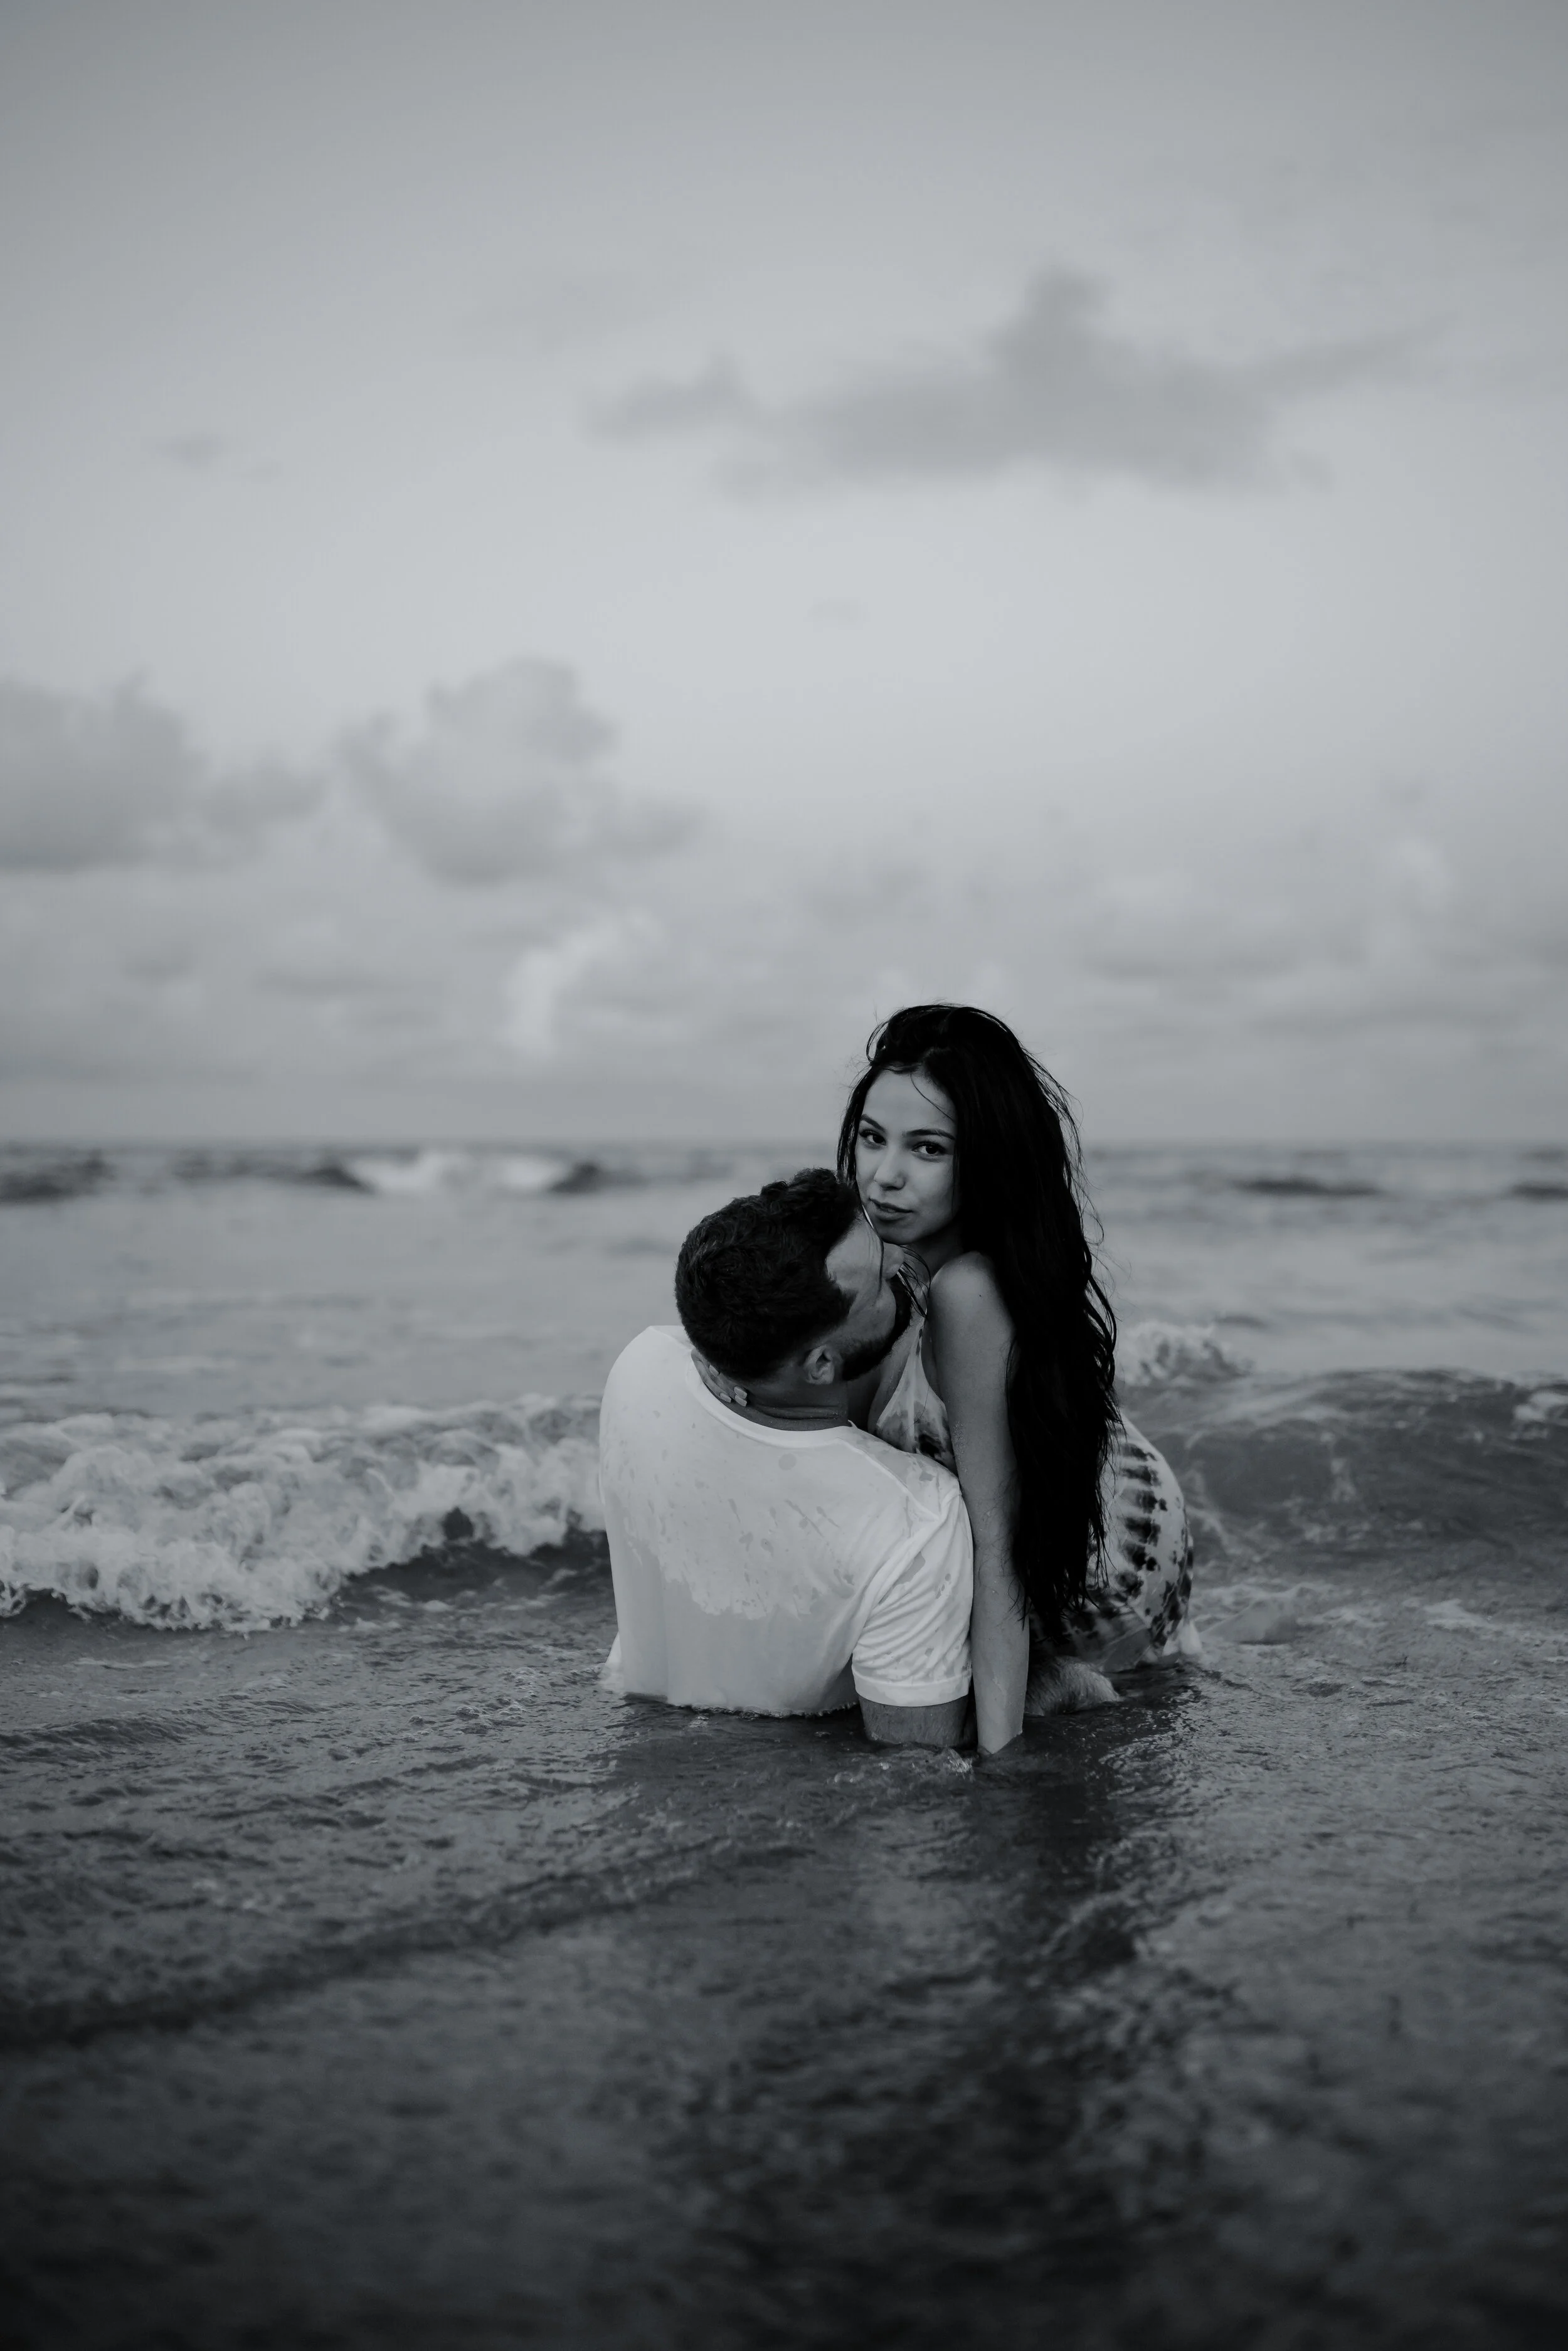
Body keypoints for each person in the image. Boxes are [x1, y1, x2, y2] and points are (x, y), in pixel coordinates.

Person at [839, 1004, 1196, 1755]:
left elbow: (1000, 1548)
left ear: (987, 1162)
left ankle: (1068, 1683)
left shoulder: (970, 1291)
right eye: (873, 1138)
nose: (884, 1174)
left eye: (927, 1149)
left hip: (1106, 1569)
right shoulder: (889, 1257)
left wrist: (1000, 1770)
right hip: (1084, 1502)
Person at [599, 1168, 973, 1747]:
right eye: (879, 1277)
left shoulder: (640, 1368)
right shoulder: (915, 1517)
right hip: (771, 1780)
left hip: (637, 1739)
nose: (901, 1261)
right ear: (822, 1366)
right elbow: (914, 1769)